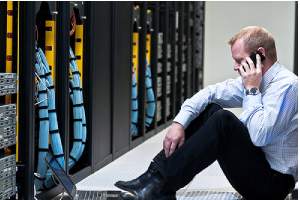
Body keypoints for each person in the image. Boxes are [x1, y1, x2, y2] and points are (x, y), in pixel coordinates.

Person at [115, 26, 298, 200]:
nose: (235, 67)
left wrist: (251, 90)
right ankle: (153, 178)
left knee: (223, 120)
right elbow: (210, 93)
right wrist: (178, 123)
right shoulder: (252, 80)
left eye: (239, 60)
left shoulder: (288, 86)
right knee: (211, 109)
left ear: (260, 54)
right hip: (255, 169)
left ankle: (159, 186)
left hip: (272, 185)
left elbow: (260, 136)